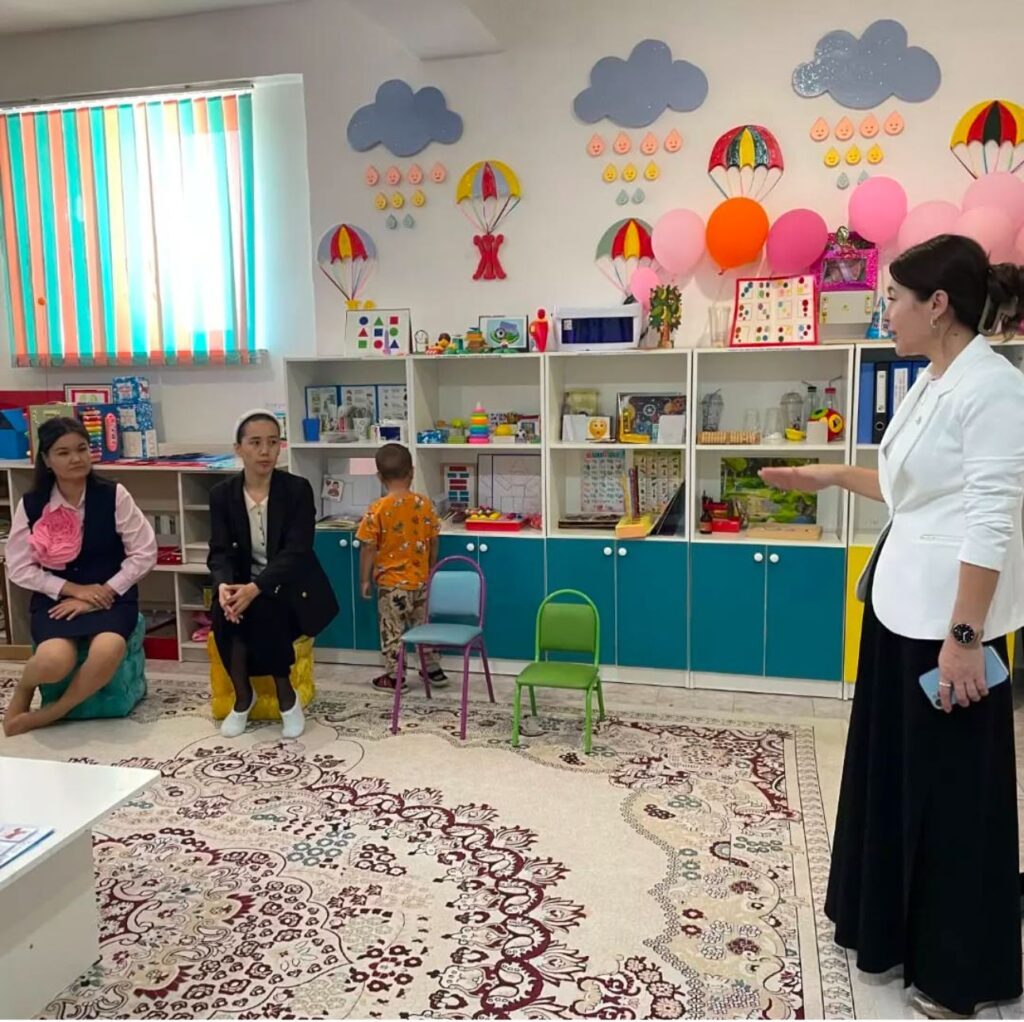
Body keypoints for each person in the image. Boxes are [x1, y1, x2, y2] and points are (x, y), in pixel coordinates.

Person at [760, 235, 1024, 1019]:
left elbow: (991, 521)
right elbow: (909, 488)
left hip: (949, 626)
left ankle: (955, 972)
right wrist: (828, 474)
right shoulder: (931, 380)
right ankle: (884, 928)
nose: (887, 315)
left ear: (937, 305)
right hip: (898, 613)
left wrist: (965, 639)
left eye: (895, 301)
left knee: (951, 797)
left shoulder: (994, 388)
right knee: (893, 776)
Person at [3, 417, 157, 736]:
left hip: (111, 597)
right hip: (56, 600)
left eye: (82, 449)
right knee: (53, 661)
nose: (76, 458)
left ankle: (51, 713)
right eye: (63, 452)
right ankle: (24, 689)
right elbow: (18, 566)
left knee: (107, 649)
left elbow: (145, 552)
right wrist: (72, 589)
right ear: (46, 460)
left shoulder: (114, 494)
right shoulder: (32, 504)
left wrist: (102, 593)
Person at [208, 410, 338, 740]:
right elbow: (219, 552)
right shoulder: (222, 494)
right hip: (243, 584)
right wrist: (224, 586)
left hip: (291, 586)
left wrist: (255, 588)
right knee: (225, 612)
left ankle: (286, 697)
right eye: (255, 443)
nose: (265, 451)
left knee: (264, 607)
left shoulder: (296, 489)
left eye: (273, 442)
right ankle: (242, 698)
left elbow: (297, 551)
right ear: (238, 449)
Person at [356, 443, 447, 693]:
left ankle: (395, 676)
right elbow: (434, 540)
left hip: (391, 585)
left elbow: (368, 547)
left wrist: (364, 579)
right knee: (423, 627)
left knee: (392, 630)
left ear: (379, 477)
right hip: (420, 581)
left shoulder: (377, 509)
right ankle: (433, 669)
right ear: (412, 472)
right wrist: (430, 567)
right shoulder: (424, 504)